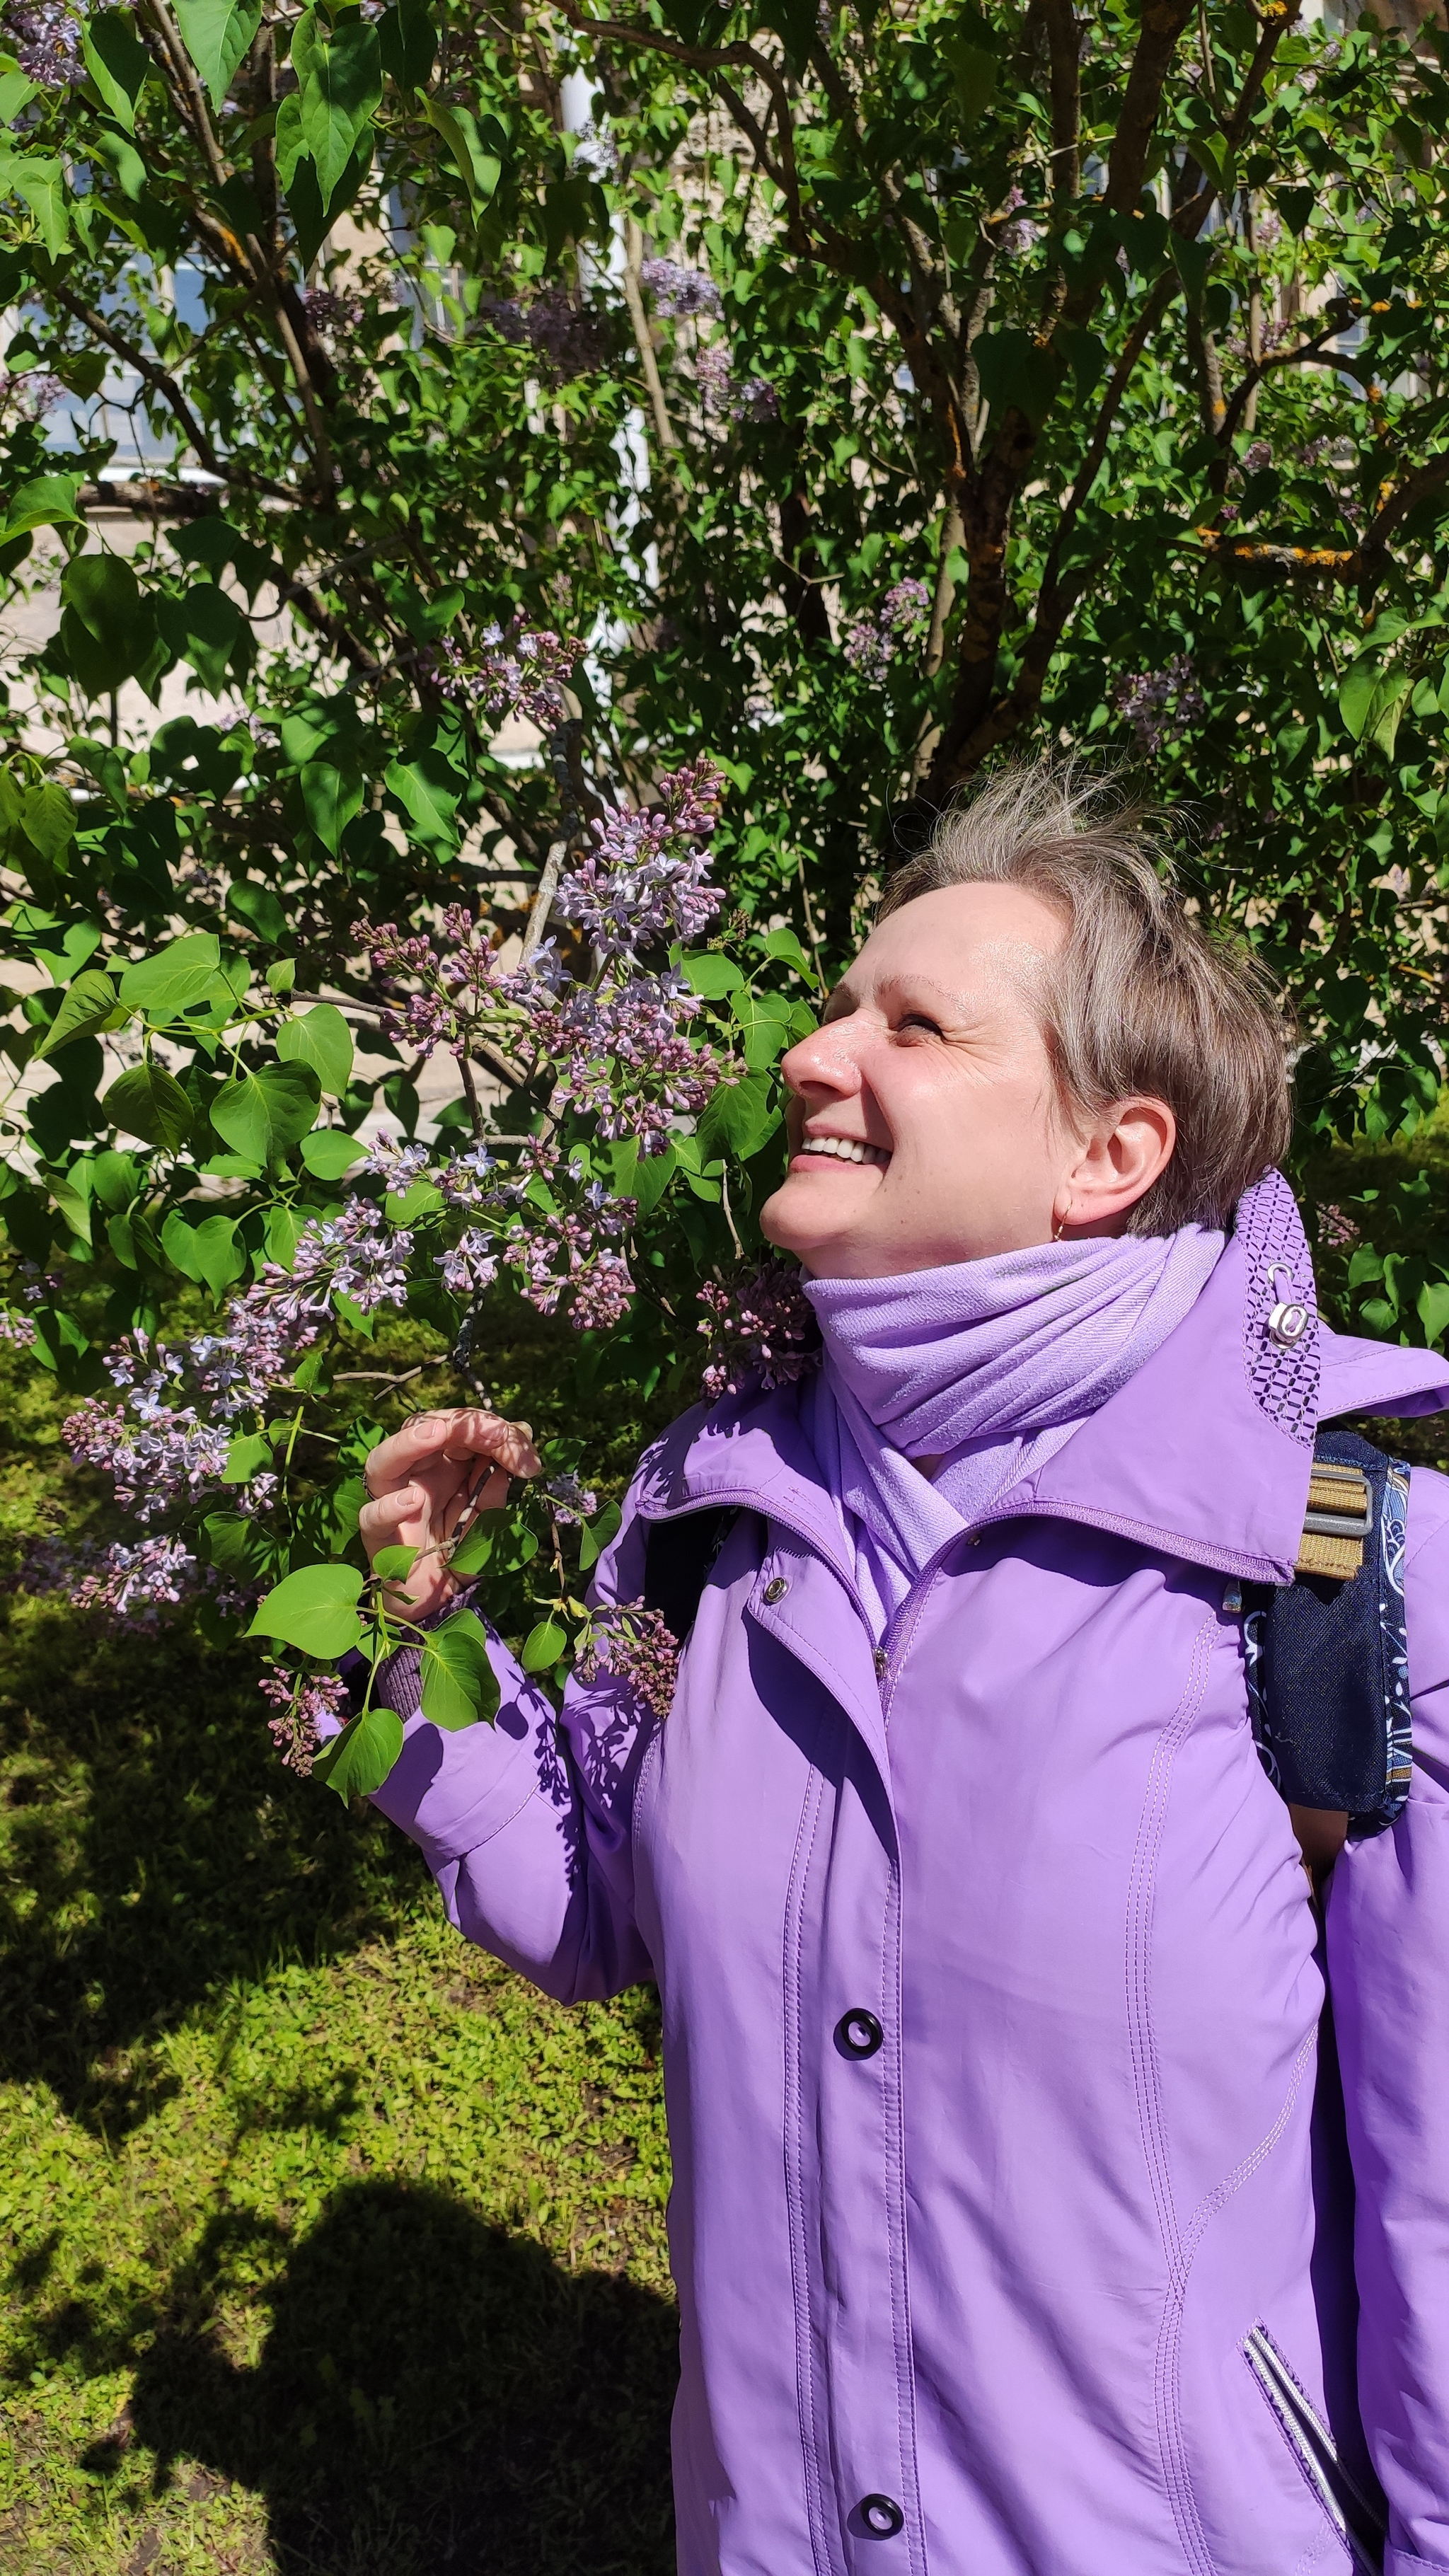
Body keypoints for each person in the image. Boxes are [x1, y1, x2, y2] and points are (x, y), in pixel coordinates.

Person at [351, 766, 1449, 2576]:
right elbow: (582, 1917)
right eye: (838, 1002)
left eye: (912, 1025)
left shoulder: (1351, 1575)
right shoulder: (715, 1517)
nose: (808, 1050)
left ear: (1111, 1154)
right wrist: (420, 1651)